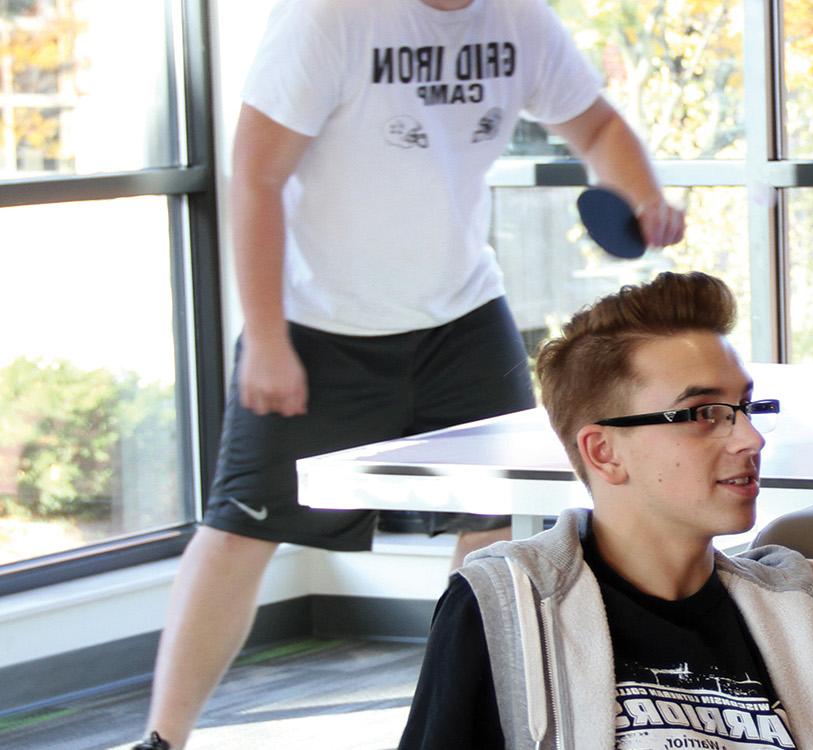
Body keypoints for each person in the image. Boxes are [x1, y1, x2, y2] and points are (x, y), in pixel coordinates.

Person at [135, 0, 687, 747]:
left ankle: (455, 724)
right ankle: (163, 738)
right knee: (241, 528)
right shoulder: (327, 19)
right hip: (319, 324)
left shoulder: (519, 19)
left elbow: (595, 125)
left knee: (498, 524)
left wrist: (642, 194)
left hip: (461, 314)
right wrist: (266, 338)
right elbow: (256, 176)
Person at [397, 271, 813, 749]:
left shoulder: (812, 616)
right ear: (604, 452)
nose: (750, 437)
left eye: (745, 407)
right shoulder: (505, 608)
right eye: (702, 414)